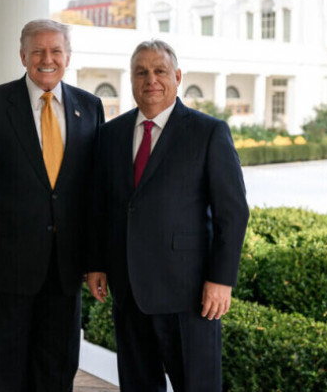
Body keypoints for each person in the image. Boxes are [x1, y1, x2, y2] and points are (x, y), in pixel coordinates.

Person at [86, 39, 249, 391]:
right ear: (131, 79)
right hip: (129, 293)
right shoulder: (110, 134)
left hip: (188, 295)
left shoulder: (208, 132)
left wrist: (221, 280)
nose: (151, 80)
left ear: (177, 77)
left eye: (160, 71)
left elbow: (233, 212)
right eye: (141, 72)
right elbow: (101, 205)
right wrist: (96, 262)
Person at [0, 19, 105, 391]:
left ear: (68, 56)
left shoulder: (90, 107)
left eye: (56, 51)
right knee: (3, 366)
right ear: (23, 56)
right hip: (5, 266)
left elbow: (94, 193)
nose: (47, 59)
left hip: (65, 267)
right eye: (38, 51)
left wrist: (95, 261)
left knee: (58, 365)